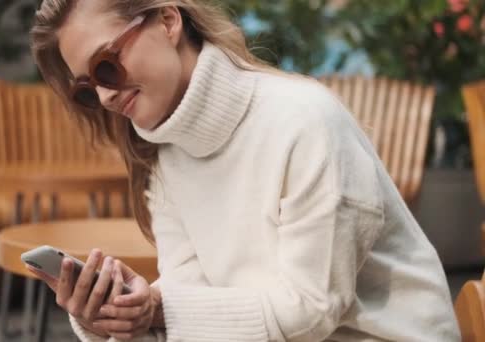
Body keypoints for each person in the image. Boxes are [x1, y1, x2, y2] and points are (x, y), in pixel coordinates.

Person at [27, 0, 461, 341]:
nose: (104, 96)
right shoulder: (162, 158)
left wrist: (158, 309)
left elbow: (310, 311)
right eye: (87, 89)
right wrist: (120, 316)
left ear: (167, 21)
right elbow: (197, 312)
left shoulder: (305, 121)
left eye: (106, 65)